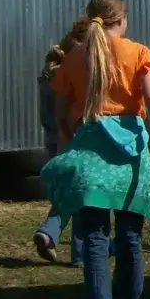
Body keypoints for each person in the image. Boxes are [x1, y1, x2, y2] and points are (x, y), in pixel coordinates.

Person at [41, 0, 150, 299]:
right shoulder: (138, 53)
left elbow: (60, 112)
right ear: (122, 20)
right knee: (130, 239)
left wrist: (72, 141)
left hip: (91, 149)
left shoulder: (74, 57)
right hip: (129, 152)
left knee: (95, 244)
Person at [32, 27, 99, 265]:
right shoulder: (71, 73)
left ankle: (49, 232)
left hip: (53, 139)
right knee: (82, 197)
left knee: (69, 193)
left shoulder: (49, 73)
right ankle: (79, 253)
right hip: (72, 137)